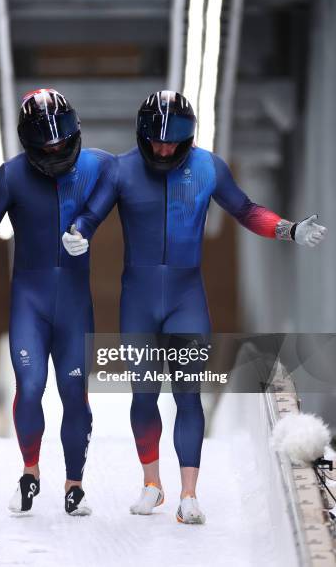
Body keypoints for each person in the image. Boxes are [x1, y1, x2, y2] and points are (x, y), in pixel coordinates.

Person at [62, 89, 327, 524]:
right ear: (142, 136)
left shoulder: (207, 167)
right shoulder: (122, 170)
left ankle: (189, 494)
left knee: (188, 394)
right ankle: (152, 485)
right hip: (139, 304)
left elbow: (245, 209)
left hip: (187, 300)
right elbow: (91, 215)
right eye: (156, 141)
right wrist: (78, 234)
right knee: (144, 395)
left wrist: (290, 230)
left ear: (188, 139)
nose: (163, 149)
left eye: (172, 142)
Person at [0, 89, 112, 516]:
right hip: (30, 302)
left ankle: (74, 484)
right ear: (31, 142)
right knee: (29, 388)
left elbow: (143, 184)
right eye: (48, 144)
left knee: (74, 393)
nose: (57, 148)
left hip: (74, 306)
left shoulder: (98, 164)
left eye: (63, 141)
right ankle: (30, 473)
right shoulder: (11, 176)